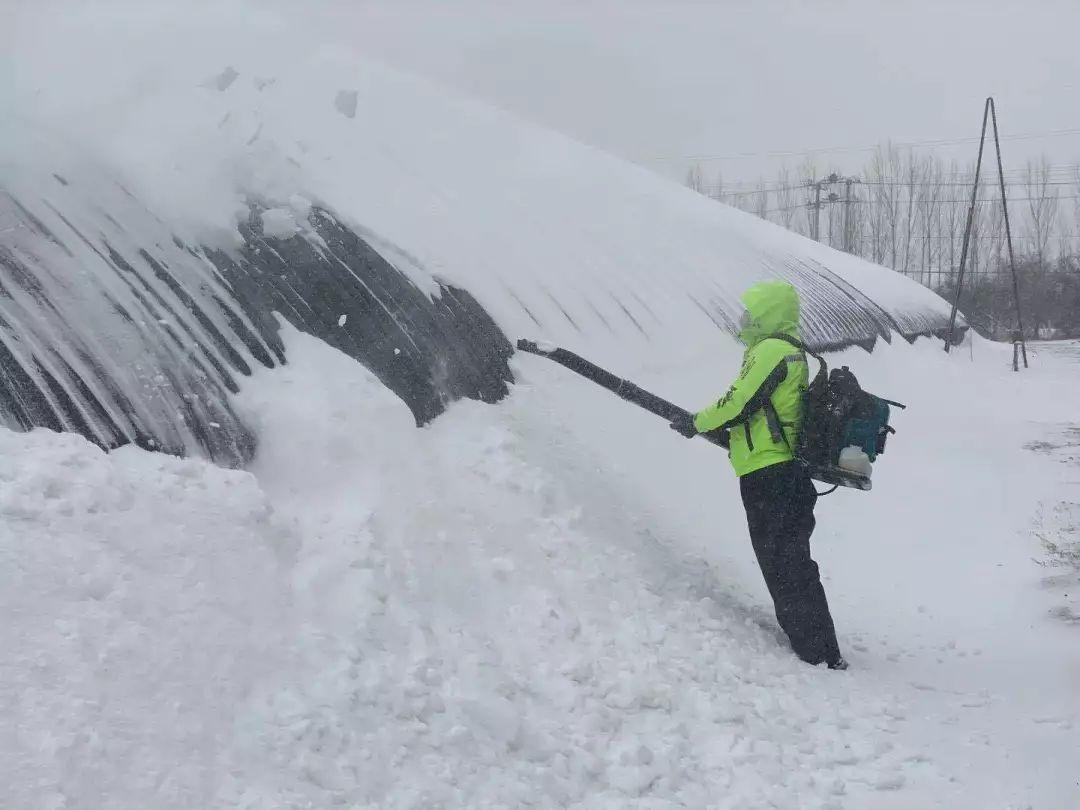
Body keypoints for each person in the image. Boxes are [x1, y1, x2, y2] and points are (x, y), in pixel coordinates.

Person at [669, 280, 846, 670]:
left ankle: (818, 653)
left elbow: (738, 401)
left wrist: (697, 422)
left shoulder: (772, 350)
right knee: (791, 561)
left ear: (768, 313)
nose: (744, 318)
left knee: (784, 563)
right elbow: (758, 408)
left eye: (751, 311)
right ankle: (818, 646)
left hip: (771, 476)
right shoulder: (786, 350)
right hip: (782, 474)